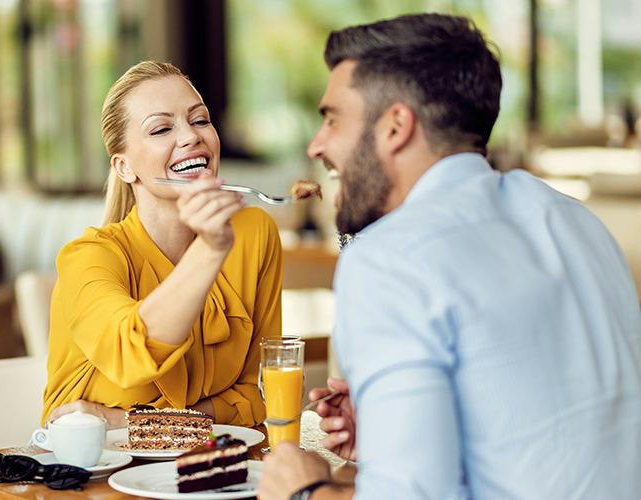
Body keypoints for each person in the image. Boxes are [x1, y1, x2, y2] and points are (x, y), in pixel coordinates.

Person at [258, 13, 641, 500]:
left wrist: (305, 491)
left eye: (332, 118)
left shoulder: (387, 257)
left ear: (396, 126)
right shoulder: (577, 223)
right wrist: (393, 435)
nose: (318, 145)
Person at [41, 61, 283, 429]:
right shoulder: (86, 258)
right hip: (94, 473)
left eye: (200, 120)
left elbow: (259, 395)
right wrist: (210, 250)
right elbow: (132, 350)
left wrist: (128, 422)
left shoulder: (253, 233)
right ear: (124, 168)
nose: (190, 137)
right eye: (161, 128)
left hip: (212, 469)